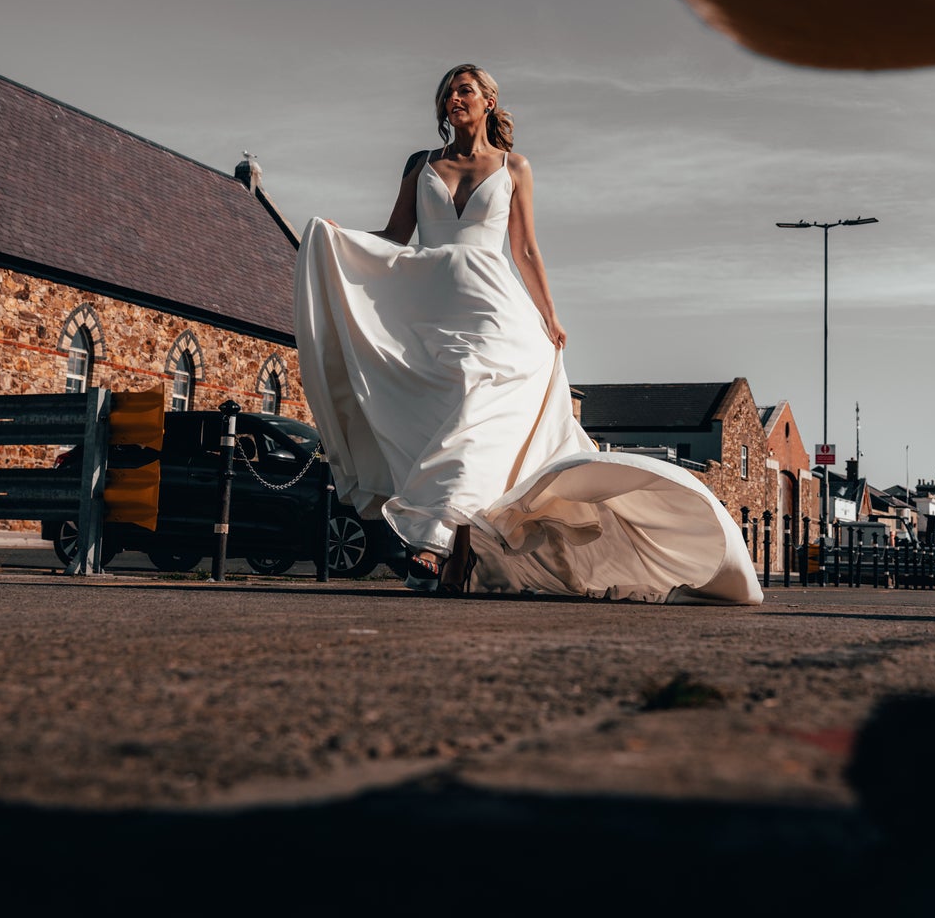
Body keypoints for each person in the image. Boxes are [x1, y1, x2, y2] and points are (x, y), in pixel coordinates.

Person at [294, 63, 761, 604]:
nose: (453, 99)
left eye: (464, 90)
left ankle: (432, 539)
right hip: (427, 311)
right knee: (442, 420)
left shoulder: (514, 167)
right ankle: (459, 558)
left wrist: (551, 315)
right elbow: (397, 235)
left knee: (476, 405)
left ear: (489, 101)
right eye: (447, 92)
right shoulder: (421, 164)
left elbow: (526, 249)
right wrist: (332, 240)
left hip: (494, 310)